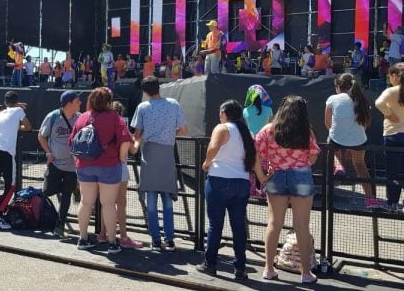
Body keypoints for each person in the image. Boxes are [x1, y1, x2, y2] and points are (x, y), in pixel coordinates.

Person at [256, 95, 320, 284]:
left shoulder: (269, 129)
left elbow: (256, 154)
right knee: (301, 226)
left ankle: (268, 269)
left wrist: (260, 176)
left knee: (274, 223)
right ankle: (306, 273)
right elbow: (314, 158)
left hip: (276, 175)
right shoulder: (305, 131)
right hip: (300, 176)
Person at [197, 100, 261, 280]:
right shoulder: (246, 132)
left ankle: (210, 264)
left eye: (220, 113)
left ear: (224, 113)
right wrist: (262, 178)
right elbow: (254, 157)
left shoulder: (222, 128)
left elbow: (213, 147)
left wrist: (206, 163)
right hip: (241, 182)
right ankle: (240, 267)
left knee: (215, 225)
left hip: (219, 179)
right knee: (239, 227)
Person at [70, 88, 133, 254]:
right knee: (108, 204)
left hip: (85, 164)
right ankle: (112, 243)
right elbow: (126, 141)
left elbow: (72, 142)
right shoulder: (114, 117)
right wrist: (121, 158)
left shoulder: (83, 117)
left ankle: (83, 238)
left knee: (86, 202)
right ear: (108, 101)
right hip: (109, 165)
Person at [131, 77, 189, 251]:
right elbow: (184, 130)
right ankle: (169, 239)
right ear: (159, 87)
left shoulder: (143, 107)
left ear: (145, 91)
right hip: (167, 154)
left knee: (150, 199)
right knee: (167, 197)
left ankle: (155, 240)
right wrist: (171, 133)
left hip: (149, 153)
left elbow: (137, 133)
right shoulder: (173, 103)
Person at [325, 73, 377, 207]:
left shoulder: (332, 99)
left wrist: (343, 141)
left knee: (329, 138)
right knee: (360, 165)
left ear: (338, 87)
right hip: (359, 140)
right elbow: (365, 125)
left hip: (337, 139)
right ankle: (370, 199)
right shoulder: (362, 100)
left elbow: (327, 123)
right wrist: (352, 141)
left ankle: (338, 165)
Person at [98, 101, 143, 249]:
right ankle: (123, 236)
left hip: (103, 167)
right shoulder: (122, 127)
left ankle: (102, 234)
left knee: (106, 203)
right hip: (119, 167)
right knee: (121, 203)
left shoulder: (101, 126)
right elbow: (133, 150)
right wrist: (138, 139)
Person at [38, 91, 81, 238]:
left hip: (72, 166)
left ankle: (60, 225)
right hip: (55, 164)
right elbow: (41, 136)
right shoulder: (53, 116)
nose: (80, 103)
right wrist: (48, 153)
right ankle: (43, 218)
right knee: (48, 191)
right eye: (77, 101)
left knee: (66, 195)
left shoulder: (80, 118)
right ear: (69, 103)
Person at [0, 91, 32, 230]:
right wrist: (17, 127)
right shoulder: (18, 110)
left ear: (5, 102)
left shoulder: (0, 114)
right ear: (17, 102)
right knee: (11, 185)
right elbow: (28, 126)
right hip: (6, 151)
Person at [375, 63, 404, 211]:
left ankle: (392, 203)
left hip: (392, 135)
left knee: (393, 171)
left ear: (394, 76)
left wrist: (389, 114)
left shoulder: (391, 91)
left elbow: (378, 103)